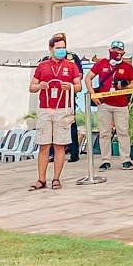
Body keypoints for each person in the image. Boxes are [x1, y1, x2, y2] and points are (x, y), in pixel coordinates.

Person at [30, 34, 82, 190]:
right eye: (58, 48)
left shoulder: (71, 65)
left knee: (60, 145)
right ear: (51, 49)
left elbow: (78, 85)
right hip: (45, 108)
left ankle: (56, 178)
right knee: (44, 145)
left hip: (63, 108)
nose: (61, 50)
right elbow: (32, 87)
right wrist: (40, 86)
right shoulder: (42, 66)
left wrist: (71, 87)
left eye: (63, 47)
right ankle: (41, 179)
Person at [88, 41, 133, 172]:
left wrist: (124, 85)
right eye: (114, 49)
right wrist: (94, 94)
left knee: (123, 132)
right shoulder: (101, 64)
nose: (117, 52)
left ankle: (126, 159)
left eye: (119, 50)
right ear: (110, 50)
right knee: (104, 132)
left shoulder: (127, 67)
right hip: (104, 103)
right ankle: (105, 160)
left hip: (121, 104)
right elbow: (88, 78)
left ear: (123, 53)